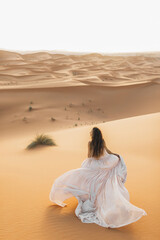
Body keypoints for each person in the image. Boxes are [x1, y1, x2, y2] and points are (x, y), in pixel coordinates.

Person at [49, 127, 147, 228]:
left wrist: (96, 160)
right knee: (110, 173)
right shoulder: (102, 141)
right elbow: (108, 151)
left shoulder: (90, 143)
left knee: (88, 180)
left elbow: (90, 155)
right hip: (105, 163)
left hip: (94, 164)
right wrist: (115, 156)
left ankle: (89, 197)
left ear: (92, 135)